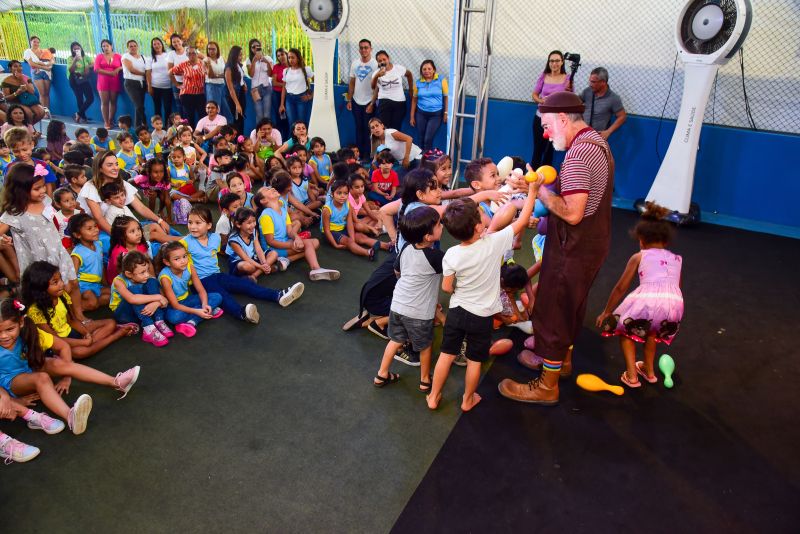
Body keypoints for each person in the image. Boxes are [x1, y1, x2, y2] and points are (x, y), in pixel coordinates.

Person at [498, 91, 614, 405]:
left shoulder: (578, 154)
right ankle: (560, 361)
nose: (546, 133)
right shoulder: (596, 142)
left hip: (573, 247)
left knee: (554, 309)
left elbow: (573, 212)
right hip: (589, 244)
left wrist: (538, 190)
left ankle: (546, 385)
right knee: (571, 306)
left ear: (563, 118)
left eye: (548, 124)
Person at [427, 179, 541, 412]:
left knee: (446, 355)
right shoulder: (494, 242)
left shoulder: (451, 254)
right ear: (479, 227)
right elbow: (523, 217)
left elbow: (447, 288)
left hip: (458, 312)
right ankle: (467, 399)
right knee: (474, 360)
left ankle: (433, 396)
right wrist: (533, 190)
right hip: (482, 317)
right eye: (481, 215)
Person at [0, 298, 139, 438]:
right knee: (41, 378)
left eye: (10, 329)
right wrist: (10, 400)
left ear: (21, 322)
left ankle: (116, 382)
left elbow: (63, 347)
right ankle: (71, 417)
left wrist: (66, 378)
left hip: (28, 368)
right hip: (9, 383)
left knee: (57, 363)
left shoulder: (30, 332)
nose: (4, 336)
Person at [596, 203, 683, 387]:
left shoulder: (640, 256)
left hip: (649, 301)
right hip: (674, 306)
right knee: (652, 332)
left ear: (641, 240)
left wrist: (607, 311)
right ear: (666, 242)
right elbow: (677, 287)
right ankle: (649, 372)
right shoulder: (677, 259)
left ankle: (632, 375)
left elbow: (621, 287)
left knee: (624, 328)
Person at [183, 206, 304, 323]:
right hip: (201, 281)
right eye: (190, 222)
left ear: (209, 225)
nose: (193, 226)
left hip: (217, 275)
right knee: (224, 296)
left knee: (245, 285)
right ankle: (242, 313)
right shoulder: (184, 243)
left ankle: (278, 295)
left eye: (198, 223)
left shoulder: (215, 238)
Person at [0, 160, 86, 321]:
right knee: (52, 293)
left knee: (72, 284)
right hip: (40, 261)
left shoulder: (45, 201)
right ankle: (63, 322)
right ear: (21, 190)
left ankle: (79, 315)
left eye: (43, 186)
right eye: (37, 188)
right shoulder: (14, 213)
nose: (43, 191)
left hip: (58, 252)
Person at [373, 206, 443, 391]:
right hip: (419, 312)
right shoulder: (436, 257)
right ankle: (425, 380)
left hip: (397, 306)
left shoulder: (405, 247)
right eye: (438, 224)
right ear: (428, 236)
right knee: (425, 346)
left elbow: (397, 271)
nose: (441, 226)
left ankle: (381, 374)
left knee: (395, 340)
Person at [21, 261, 134, 359]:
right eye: (55, 282)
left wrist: (85, 333)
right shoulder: (35, 311)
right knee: (81, 352)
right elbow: (55, 339)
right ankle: (115, 336)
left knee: (110, 323)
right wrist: (83, 342)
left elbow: (72, 321)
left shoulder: (62, 296)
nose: (61, 284)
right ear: (40, 288)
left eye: (60, 279)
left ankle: (91, 342)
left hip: (70, 331)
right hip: (59, 343)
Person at [78, 150, 173, 249]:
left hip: (125, 227)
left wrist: (160, 220)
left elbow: (140, 207)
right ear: (100, 168)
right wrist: (120, 237)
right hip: (107, 231)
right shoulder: (91, 187)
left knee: (155, 227)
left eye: (116, 164)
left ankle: (176, 243)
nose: (115, 168)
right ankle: (181, 242)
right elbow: (99, 219)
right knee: (154, 235)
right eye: (110, 165)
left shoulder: (120, 183)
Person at [257, 179, 340, 281]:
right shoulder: (266, 215)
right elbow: (270, 242)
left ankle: (287, 260)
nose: (272, 188)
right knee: (309, 244)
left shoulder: (282, 210)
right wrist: (292, 244)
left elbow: (289, 231)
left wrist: (296, 237)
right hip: (273, 249)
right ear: (263, 200)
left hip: (285, 243)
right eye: (267, 189)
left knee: (315, 242)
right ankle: (315, 269)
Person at [156, 241, 223, 337]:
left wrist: (204, 304)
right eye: (177, 259)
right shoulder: (165, 277)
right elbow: (175, 305)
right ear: (167, 262)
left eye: (184, 256)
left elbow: (201, 290)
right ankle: (205, 312)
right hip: (174, 306)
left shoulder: (189, 267)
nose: (183, 261)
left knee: (217, 296)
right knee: (174, 318)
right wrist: (197, 311)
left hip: (188, 299)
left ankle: (192, 321)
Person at [109, 251, 173, 348]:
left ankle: (159, 320)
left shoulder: (145, 278)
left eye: (147, 270)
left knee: (152, 281)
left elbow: (165, 301)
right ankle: (148, 328)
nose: (147, 274)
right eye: (142, 272)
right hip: (124, 315)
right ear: (129, 274)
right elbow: (132, 299)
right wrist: (158, 298)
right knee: (134, 289)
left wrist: (156, 303)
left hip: (143, 311)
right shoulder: (118, 281)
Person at [321, 179, 387, 260]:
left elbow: (349, 223)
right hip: (331, 232)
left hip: (342, 228)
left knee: (361, 237)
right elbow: (326, 230)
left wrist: (353, 237)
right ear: (332, 194)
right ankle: (369, 253)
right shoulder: (327, 209)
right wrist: (335, 244)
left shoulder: (348, 205)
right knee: (349, 241)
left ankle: (386, 246)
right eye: (339, 193)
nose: (342, 196)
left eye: (345, 193)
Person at [530, 50, 572, 168]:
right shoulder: (544, 76)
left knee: (549, 151)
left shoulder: (568, 79)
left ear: (562, 62)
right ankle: (532, 178)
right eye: (552, 61)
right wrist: (542, 101)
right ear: (549, 63)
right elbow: (534, 94)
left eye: (557, 61)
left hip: (555, 121)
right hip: (540, 118)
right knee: (538, 149)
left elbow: (570, 98)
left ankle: (546, 180)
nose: (554, 63)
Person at [67, 214, 109, 311]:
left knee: (114, 293)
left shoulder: (98, 244)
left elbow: (101, 265)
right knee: (92, 302)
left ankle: (93, 301)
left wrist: (105, 283)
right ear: (78, 235)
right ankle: (72, 309)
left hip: (96, 285)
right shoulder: (77, 253)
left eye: (95, 226)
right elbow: (72, 277)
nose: (96, 230)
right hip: (83, 286)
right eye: (89, 229)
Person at [347, 39, 378, 161]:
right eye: (361, 48)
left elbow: (377, 86)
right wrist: (349, 100)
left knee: (369, 130)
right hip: (356, 101)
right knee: (359, 128)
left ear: (371, 49)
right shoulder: (354, 64)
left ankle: (369, 155)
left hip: (369, 103)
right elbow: (352, 82)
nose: (364, 50)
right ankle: (359, 155)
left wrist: (372, 103)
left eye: (366, 47)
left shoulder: (375, 64)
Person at [370, 50, 413, 132]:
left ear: (388, 58)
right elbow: (373, 87)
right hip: (384, 101)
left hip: (399, 102)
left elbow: (409, 74)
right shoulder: (376, 73)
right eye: (380, 61)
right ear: (377, 63)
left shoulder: (398, 68)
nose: (382, 62)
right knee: (385, 128)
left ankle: (394, 145)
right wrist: (377, 76)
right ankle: (386, 145)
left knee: (396, 128)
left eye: (384, 59)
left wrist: (411, 90)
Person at [410, 60, 448, 151]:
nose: (427, 71)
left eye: (429, 69)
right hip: (421, 114)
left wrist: (446, 113)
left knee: (428, 139)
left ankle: (426, 161)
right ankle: (421, 160)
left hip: (436, 115)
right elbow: (414, 100)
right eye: (424, 69)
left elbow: (446, 97)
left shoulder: (441, 80)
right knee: (421, 138)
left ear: (434, 70)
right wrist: (412, 117)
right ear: (421, 71)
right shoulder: (418, 82)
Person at [580, 67, 627, 140]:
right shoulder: (587, 91)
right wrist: (569, 92)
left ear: (603, 82)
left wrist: (608, 131)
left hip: (598, 138)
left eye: (593, 82)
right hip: (582, 134)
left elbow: (622, 116)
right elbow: (576, 103)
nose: (590, 84)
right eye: (590, 81)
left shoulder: (613, 98)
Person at [169, 45, 207, 127]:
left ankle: (201, 135)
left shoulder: (203, 64)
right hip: (187, 94)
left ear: (197, 54)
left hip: (200, 94)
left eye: (194, 53)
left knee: (202, 116)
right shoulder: (183, 65)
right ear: (187, 55)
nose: (191, 55)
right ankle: (190, 137)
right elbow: (170, 72)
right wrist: (177, 84)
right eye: (189, 53)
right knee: (189, 117)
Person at [1, 60, 45, 125]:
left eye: (20, 66)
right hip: (14, 102)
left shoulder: (27, 78)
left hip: (28, 101)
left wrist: (22, 80)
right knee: (28, 113)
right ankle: (29, 130)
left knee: (41, 112)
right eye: (15, 66)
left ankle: (28, 128)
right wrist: (17, 93)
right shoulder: (6, 81)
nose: (18, 68)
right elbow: (6, 98)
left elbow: (32, 92)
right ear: (10, 69)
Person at [279, 48, 314, 127]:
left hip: (301, 98)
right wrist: (282, 104)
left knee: (302, 123)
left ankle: (302, 139)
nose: (290, 60)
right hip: (289, 99)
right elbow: (284, 87)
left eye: (293, 57)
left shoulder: (306, 69)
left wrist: (311, 96)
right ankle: (294, 139)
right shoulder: (286, 71)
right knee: (292, 123)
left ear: (298, 58)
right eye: (289, 57)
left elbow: (317, 82)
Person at [94, 39, 122, 129]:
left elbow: (123, 65)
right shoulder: (99, 56)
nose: (105, 48)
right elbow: (96, 69)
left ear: (111, 46)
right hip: (103, 82)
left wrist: (117, 69)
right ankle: (106, 122)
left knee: (113, 101)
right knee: (104, 102)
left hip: (115, 81)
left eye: (107, 46)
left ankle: (110, 119)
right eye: (103, 46)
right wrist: (110, 73)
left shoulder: (118, 56)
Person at [121, 40, 149, 128]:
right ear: (128, 48)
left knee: (139, 106)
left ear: (137, 46)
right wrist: (144, 74)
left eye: (134, 46)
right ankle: (144, 123)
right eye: (130, 46)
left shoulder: (143, 57)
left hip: (142, 83)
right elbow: (131, 70)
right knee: (139, 105)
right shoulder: (126, 56)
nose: (133, 47)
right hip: (131, 83)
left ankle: (138, 126)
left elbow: (148, 69)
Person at [203, 41, 232, 124]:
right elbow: (211, 75)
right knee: (214, 110)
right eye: (209, 49)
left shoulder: (221, 58)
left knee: (226, 111)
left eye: (213, 49)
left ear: (217, 50)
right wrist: (209, 65)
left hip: (222, 86)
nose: (211, 51)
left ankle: (227, 132)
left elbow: (227, 72)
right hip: (212, 87)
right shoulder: (205, 60)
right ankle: (214, 133)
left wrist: (218, 75)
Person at [22, 36, 52, 113]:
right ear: (30, 42)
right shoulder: (27, 52)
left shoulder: (43, 51)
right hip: (36, 73)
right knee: (42, 94)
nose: (36, 43)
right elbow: (31, 63)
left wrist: (48, 65)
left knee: (47, 94)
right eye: (34, 42)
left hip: (47, 73)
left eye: (38, 42)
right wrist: (45, 67)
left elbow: (51, 60)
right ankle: (42, 113)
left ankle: (48, 112)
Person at [246, 38, 274, 122]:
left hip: (266, 87)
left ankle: (268, 133)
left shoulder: (268, 58)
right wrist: (254, 61)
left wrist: (266, 62)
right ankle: (259, 134)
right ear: (250, 49)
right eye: (253, 47)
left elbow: (270, 74)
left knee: (267, 114)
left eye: (258, 46)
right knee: (259, 114)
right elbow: (251, 75)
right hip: (255, 89)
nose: (255, 48)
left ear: (261, 47)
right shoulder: (249, 60)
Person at [68, 42, 94, 124]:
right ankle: (83, 117)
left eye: (78, 48)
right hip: (74, 79)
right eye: (74, 49)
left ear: (81, 48)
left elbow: (93, 64)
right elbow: (71, 70)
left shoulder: (86, 57)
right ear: (72, 50)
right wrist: (75, 59)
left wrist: (88, 66)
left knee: (90, 98)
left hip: (84, 79)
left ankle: (78, 114)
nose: (77, 50)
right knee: (79, 98)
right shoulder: (70, 58)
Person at [224, 46, 248, 135]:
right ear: (234, 55)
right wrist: (237, 104)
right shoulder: (228, 68)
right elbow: (231, 89)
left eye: (241, 55)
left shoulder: (238, 65)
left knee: (241, 118)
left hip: (241, 93)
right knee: (235, 120)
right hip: (233, 97)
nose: (241, 57)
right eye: (239, 55)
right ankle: (236, 141)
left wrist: (243, 83)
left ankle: (241, 140)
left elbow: (240, 78)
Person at [148, 38, 173, 120]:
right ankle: (158, 127)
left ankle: (167, 127)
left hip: (168, 87)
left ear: (162, 44)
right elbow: (148, 73)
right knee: (157, 108)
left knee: (167, 108)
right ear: (152, 46)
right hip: (155, 87)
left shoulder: (168, 55)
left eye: (158, 43)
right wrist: (149, 86)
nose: (157, 46)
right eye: (154, 44)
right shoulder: (150, 58)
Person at [166, 34, 189, 115]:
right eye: (174, 42)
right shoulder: (171, 54)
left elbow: (202, 57)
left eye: (178, 41)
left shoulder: (188, 50)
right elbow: (169, 71)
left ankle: (188, 125)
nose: (176, 43)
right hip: (177, 83)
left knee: (188, 105)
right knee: (179, 105)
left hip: (190, 84)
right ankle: (181, 125)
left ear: (181, 41)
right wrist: (176, 84)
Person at [271, 48, 291, 139]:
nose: (281, 57)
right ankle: (279, 139)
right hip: (277, 94)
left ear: (287, 54)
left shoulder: (292, 66)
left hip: (289, 95)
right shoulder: (276, 67)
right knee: (279, 117)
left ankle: (287, 139)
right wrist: (286, 83)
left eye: (282, 54)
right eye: (278, 56)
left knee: (288, 118)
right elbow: (274, 82)